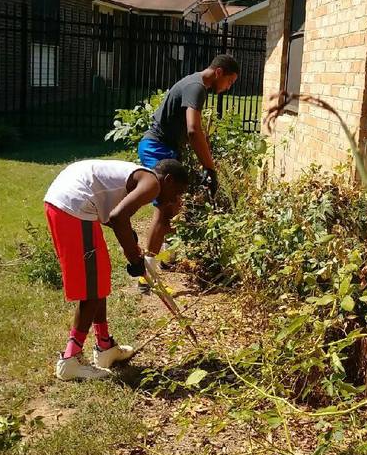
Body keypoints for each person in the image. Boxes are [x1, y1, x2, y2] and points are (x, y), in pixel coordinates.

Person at [44, 156, 189, 381]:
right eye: (178, 192)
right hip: (73, 206)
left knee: (99, 279)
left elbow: (116, 216)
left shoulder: (140, 178)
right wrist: (134, 258)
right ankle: (70, 360)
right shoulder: (152, 184)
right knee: (91, 287)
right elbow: (118, 216)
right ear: (168, 180)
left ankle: (104, 347)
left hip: (69, 203)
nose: (175, 199)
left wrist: (131, 242)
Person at [136, 54, 239, 276]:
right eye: (230, 81)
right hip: (157, 148)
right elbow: (193, 130)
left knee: (175, 205)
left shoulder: (195, 84)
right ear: (219, 72)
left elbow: (194, 131)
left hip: (167, 148)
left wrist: (207, 163)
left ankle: (166, 258)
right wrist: (209, 169)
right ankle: (146, 273)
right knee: (166, 208)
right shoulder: (197, 87)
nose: (229, 87)